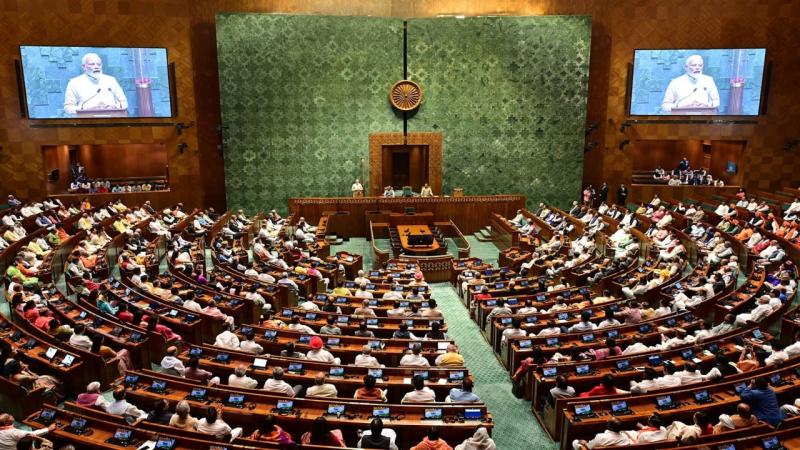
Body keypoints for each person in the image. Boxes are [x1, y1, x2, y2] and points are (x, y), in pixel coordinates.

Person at [63, 53, 128, 115]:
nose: (96, 67)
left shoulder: (111, 80)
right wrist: (86, 109)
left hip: (111, 118)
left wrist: (114, 107)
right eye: (92, 64)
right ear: (83, 66)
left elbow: (124, 103)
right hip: (86, 120)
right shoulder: (74, 82)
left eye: (99, 64)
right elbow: (68, 108)